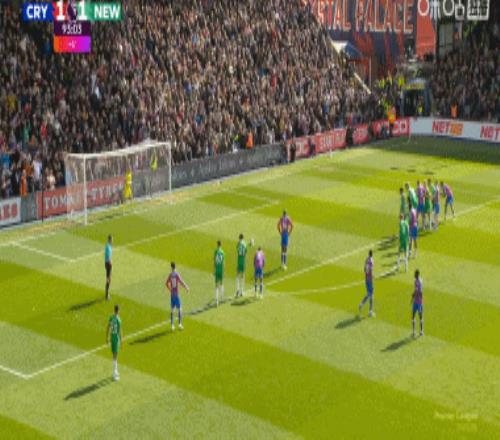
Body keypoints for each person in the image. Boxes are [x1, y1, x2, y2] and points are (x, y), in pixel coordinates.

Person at [166, 262, 189, 331]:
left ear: (171, 267)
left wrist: (170, 290)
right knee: (180, 309)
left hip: (172, 295)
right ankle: (179, 324)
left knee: (172, 310)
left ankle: (172, 325)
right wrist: (186, 287)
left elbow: (166, 283)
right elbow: (181, 282)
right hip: (176, 294)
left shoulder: (170, 275)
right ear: (175, 267)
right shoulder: (176, 274)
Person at [106, 304, 123, 381]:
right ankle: (114, 373)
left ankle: (115, 371)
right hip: (116, 338)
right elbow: (119, 331)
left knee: (114, 355)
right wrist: (121, 340)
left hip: (112, 337)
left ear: (114, 310)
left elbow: (108, 327)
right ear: (118, 310)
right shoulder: (119, 320)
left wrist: (107, 337)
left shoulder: (111, 317)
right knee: (115, 355)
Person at [358, 250, 375, 317]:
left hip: (366, 279)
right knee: (371, 295)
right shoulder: (371, 261)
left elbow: (364, 269)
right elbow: (371, 270)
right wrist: (372, 276)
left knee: (368, 294)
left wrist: (367, 274)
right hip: (370, 280)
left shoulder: (366, 259)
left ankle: (361, 304)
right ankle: (370, 311)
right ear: (372, 254)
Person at [411, 269, 424, 337]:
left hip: (419, 302)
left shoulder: (420, 282)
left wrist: (415, 294)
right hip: (415, 301)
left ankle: (421, 331)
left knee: (420, 316)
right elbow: (415, 290)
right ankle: (414, 331)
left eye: (415, 274)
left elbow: (420, 292)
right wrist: (413, 295)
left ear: (417, 274)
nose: (414, 275)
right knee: (413, 315)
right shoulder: (415, 281)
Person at [235, 234, 247, 298]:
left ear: (239, 238)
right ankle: (242, 291)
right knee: (242, 276)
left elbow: (237, 249)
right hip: (243, 262)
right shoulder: (244, 244)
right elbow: (245, 252)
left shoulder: (239, 244)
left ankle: (237, 290)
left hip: (239, 261)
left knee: (237, 276)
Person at [214, 240, 225, 306]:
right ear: (221, 245)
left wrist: (214, 270)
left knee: (216, 285)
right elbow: (223, 263)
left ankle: (216, 301)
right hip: (221, 270)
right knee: (221, 284)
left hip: (217, 270)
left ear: (217, 245)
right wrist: (223, 271)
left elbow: (214, 262)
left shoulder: (215, 252)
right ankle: (222, 298)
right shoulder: (222, 252)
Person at [105, 235, 112, 301]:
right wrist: (110, 262)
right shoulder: (108, 247)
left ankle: (107, 293)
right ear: (109, 239)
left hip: (108, 263)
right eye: (111, 239)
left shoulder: (109, 246)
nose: (112, 241)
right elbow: (108, 255)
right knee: (108, 279)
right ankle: (107, 295)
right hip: (108, 264)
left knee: (109, 279)